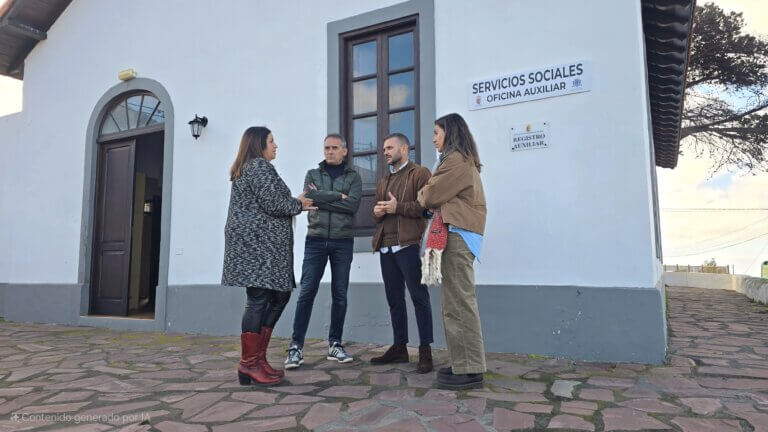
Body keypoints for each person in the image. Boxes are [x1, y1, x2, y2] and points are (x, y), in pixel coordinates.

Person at [222, 126, 315, 386]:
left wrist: (295, 202)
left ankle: (257, 359)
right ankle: (249, 363)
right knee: (259, 298)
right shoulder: (258, 166)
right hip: (257, 247)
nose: (275, 145)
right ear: (258, 144)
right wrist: (299, 204)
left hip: (262, 246)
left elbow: (269, 201)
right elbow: (274, 204)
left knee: (278, 295)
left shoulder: (252, 168)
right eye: (271, 141)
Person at [417, 113, 487, 390]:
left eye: (436, 132)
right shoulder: (455, 160)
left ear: (450, 132)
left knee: (459, 303)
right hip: (457, 233)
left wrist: (425, 193)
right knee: (454, 303)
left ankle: (470, 369)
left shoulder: (455, 160)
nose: (433, 138)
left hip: (458, 234)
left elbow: (429, 196)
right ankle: (462, 362)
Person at [285, 133, 362, 369]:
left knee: (340, 294)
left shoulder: (354, 177)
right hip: (315, 240)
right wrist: (338, 196)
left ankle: (335, 344)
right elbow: (309, 197)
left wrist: (324, 199)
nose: (329, 151)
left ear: (344, 151)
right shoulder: (313, 174)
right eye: (327, 148)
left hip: (342, 242)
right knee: (307, 291)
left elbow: (352, 205)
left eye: (334, 148)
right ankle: (296, 347)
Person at [370, 133, 434, 373]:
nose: (385, 151)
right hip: (386, 247)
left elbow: (427, 208)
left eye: (390, 147)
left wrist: (398, 207)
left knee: (419, 298)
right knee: (394, 299)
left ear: (404, 149)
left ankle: (425, 350)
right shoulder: (383, 180)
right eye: (384, 148)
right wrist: (377, 212)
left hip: (409, 245)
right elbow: (378, 213)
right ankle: (400, 348)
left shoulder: (420, 173)